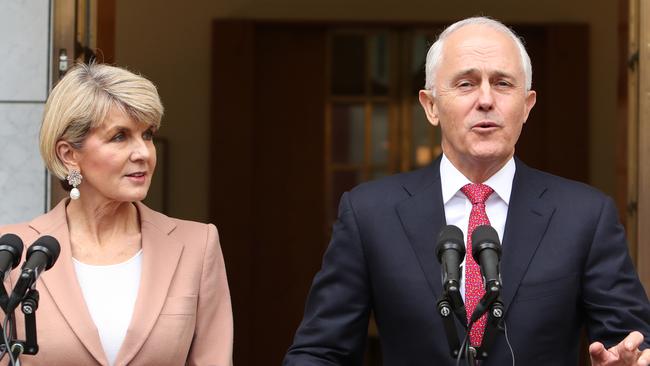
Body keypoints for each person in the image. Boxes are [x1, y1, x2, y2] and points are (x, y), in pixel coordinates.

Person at [284, 17, 650, 366]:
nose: (486, 99)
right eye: (466, 84)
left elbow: (632, 341)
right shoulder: (370, 214)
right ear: (430, 106)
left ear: (527, 106)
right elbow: (320, 351)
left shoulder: (584, 216)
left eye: (503, 83)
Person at [0, 63, 233, 365]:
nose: (143, 153)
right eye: (120, 137)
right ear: (69, 154)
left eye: (147, 135)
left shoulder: (197, 245)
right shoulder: (13, 251)